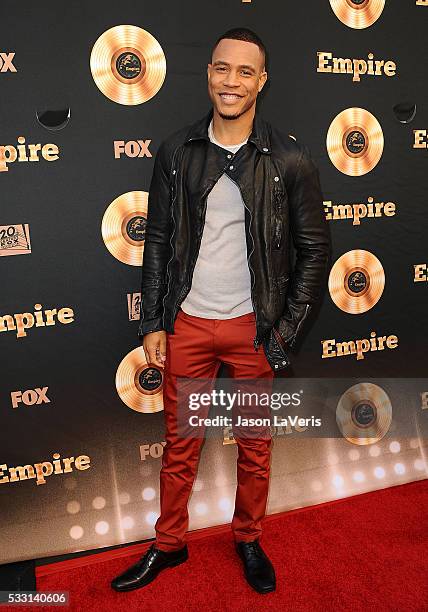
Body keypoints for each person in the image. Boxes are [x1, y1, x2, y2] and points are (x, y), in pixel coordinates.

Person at [111, 27, 330, 595]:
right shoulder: (177, 151)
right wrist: (154, 321)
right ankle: (169, 545)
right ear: (208, 74)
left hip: (252, 331)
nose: (230, 82)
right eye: (220, 69)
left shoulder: (289, 159)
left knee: (255, 446)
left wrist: (283, 331)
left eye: (243, 72)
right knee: (180, 447)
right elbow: (157, 238)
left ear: (262, 81)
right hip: (187, 324)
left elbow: (315, 250)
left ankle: (249, 538)